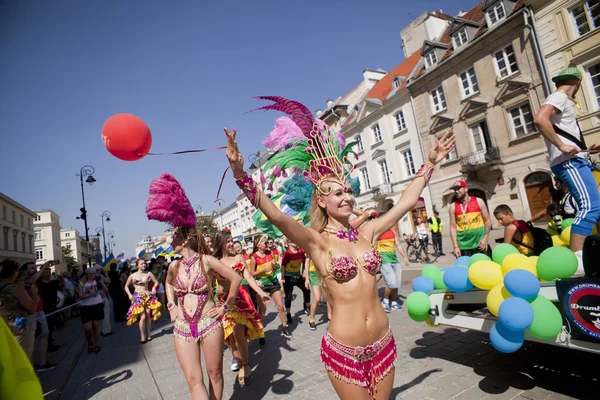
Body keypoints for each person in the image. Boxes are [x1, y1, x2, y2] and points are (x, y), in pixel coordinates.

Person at [223, 95, 454, 399]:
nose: (346, 196)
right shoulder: (316, 241)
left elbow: (407, 202)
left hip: (384, 340)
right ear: (321, 201)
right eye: (336, 193)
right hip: (345, 350)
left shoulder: (367, 231)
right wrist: (241, 176)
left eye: (347, 191)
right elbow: (276, 215)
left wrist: (430, 163)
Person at [146, 172, 241, 400]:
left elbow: (236, 278)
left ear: (185, 239)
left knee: (215, 374)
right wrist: (171, 305)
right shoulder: (174, 267)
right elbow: (168, 285)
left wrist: (225, 307)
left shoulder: (207, 261)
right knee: (193, 380)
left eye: (174, 237)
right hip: (182, 327)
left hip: (209, 323)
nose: (171, 241)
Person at [534, 66, 600, 272]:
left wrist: (585, 150)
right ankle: (577, 261)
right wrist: (562, 146)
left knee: (596, 206)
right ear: (578, 82)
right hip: (569, 162)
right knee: (590, 207)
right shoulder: (560, 96)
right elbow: (540, 119)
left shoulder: (560, 98)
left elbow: (563, 133)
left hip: (576, 159)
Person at [213, 231, 270, 386]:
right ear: (220, 244)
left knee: (239, 334)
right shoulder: (214, 261)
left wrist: (260, 292)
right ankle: (241, 362)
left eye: (232, 241)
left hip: (240, 301)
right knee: (231, 339)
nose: (231, 244)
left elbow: (248, 277)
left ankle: (245, 366)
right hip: (223, 304)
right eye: (228, 242)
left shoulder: (238, 258)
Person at [366, 211, 409, 313]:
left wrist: (405, 257)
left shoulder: (392, 232)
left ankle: (394, 302)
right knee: (391, 283)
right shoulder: (378, 232)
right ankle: (385, 301)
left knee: (396, 283)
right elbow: (373, 246)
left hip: (394, 260)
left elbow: (398, 245)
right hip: (384, 261)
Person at [249, 235, 291, 338]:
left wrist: (275, 265)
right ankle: (261, 333)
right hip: (261, 285)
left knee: (280, 306)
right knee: (262, 311)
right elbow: (251, 274)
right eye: (265, 243)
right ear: (259, 245)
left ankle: (285, 327)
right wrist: (262, 270)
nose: (268, 244)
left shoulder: (270, 253)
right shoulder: (254, 257)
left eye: (268, 242)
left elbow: (275, 267)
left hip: (273, 282)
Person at [0, 260, 36, 362]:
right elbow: (31, 308)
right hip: (18, 327)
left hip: (4, 326)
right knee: (23, 357)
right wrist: (34, 296)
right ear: (14, 272)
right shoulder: (16, 289)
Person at [449, 180, 492, 258]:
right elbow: (453, 227)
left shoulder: (479, 201)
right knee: (468, 269)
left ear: (466, 189)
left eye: (458, 188)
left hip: (481, 244)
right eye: (455, 189)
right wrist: (455, 246)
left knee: (486, 267)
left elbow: (487, 221)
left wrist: (486, 237)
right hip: (464, 247)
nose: (456, 191)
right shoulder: (453, 206)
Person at [124, 259, 162, 343]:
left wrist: (153, 288)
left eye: (144, 263)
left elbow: (156, 282)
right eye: (141, 264)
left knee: (148, 315)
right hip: (137, 297)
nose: (143, 265)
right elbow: (126, 286)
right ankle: (142, 335)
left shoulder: (148, 274)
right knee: (143, 316)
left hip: (147, 296)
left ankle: (148, 334)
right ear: (137, 266)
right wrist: (129, 295)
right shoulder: (132, 275)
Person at [78, 266, 108, 353]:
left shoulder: (97, 281)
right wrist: (89, 295)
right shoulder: (82, 282)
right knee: (88, 329)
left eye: (94, 273)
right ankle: (90, 342)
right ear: (86, 274)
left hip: (97, 305)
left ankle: (96, 344)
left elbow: (106, 291)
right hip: (85, 307)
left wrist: (101, 283)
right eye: (90, 274)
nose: (92, 275)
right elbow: (80, 295)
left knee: (96, 326)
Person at [281, 241, 311, 324]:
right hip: (288, 277)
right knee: (288, 296)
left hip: (298, 276)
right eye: (293, 241)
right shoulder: (287, 253)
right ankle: (288, 314)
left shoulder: (301, 251)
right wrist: (282, 277)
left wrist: (304, 271)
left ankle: (307, 307)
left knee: (307, 290)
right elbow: (283, 266)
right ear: (289, 243)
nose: (296, 242)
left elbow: (305, 262)